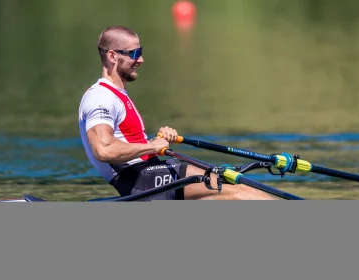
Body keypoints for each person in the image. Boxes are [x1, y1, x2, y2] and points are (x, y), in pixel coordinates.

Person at [78, 26, 276, 200]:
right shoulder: (100, 97)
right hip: (140, 180)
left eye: (141, 51)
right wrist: (151, 146)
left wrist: (157, 140)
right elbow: (103, 150)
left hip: (151, 173)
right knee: (241, 192)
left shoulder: (117, 95)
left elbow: (128, 143)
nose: (141, 59)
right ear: (112, 56)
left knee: (235, 187)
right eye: (134, 53)